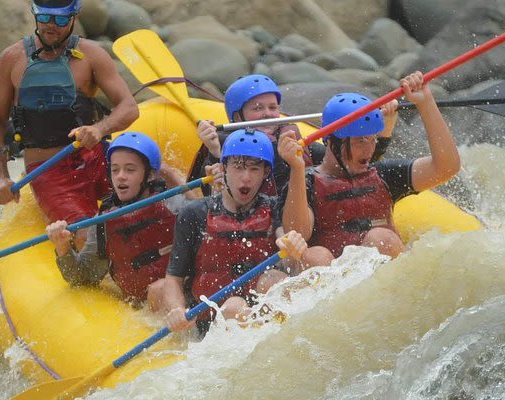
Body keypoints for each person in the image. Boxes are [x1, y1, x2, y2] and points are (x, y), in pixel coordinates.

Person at [0, 0, 139, 250]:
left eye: (60, 20)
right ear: (35, 14)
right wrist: (1, 177)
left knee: (160, 179)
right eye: (45, 18)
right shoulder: (11, 59)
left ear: (74, 17)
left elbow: (129, 107)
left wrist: (99, 129)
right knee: (84, 236)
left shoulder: (91, 55)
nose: (51, 26)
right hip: (48, 171)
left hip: (94, 156)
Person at [278, 71, 461, 264]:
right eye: (360, 141)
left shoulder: (383, 174)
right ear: (332, 142)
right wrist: (296, 169)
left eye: (373, 139)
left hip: (383, 278)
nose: (369, 149)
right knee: (317, 256)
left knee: (381, 238)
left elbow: (446, 167)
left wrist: (425, 102)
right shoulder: (306, 181)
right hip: (331, 280)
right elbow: (298, 233)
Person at [162, 128, 310, 337]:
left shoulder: (274, 207)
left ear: (265, 173)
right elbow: (174, 278)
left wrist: (292, 243)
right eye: (239, 167)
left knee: (273, 279)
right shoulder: (194, 213)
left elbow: (284, 236)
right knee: (233, 306)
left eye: (254, 169)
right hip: (211, 323)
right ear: (223, 168)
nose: (246, 178)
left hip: (260, 314)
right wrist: (177, 309)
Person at [46, 131, 194, 309]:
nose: (120, 176)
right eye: (115, 170)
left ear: (150, 175)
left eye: (130, 169)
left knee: (158, 289)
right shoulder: (103, 221)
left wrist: (180, 183)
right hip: (142, 311)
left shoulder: (174, 204)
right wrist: (63, 248)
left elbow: (211, 230)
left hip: (180, 297)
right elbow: (83, 277)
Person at [187, 74, 324, 197]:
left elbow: (331, 161)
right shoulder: (223, 145)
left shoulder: (291, 138)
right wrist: (214, 152)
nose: (268, 114)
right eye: (258, 108)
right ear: (238, 117)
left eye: (272, 107)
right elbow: (210, 197)